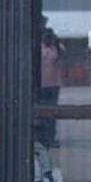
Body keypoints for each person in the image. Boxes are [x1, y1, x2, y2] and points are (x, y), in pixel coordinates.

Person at [36, 17, 63, 147]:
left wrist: (56, 42)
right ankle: (41, 137)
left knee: (51, 113)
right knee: (41, 112)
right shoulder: (38, 48)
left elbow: (63, 54)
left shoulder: (56, 48)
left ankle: (50, 137)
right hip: (41, 84)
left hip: (53, 84)